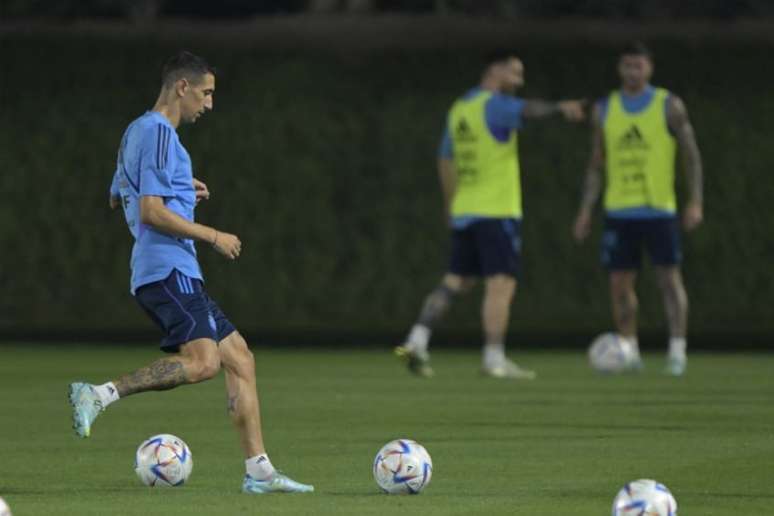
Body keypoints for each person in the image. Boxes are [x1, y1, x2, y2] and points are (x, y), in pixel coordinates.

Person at [68, 51, 313, 494]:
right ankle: (99, 394)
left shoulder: (135, 131)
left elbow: (117, 196)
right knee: (203, 364)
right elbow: (150, 212)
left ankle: (259, 472)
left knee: (239, 357)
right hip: (168, 268)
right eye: (206, 93)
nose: (209, 104)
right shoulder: (161, 133)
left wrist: (181, 189)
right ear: (183, 87)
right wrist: (212, 234)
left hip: (166, 269)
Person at [395, 50, 585, 379]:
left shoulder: (460, 108)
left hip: (467, 209)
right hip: (497, 211)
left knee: (456, 280)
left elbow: (445, 159)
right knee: (501, 284)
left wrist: (451, 204)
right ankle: (494, 358)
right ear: (494, 71)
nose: (520, 80)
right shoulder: (494, 105)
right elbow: (530, 110)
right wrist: (560, 107)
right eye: (515, 72)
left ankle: (417, 339)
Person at [572, 42, 703, 376]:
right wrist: (587, 209)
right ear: (620, 68)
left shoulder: (668, 105)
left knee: (669, 281)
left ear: (649, 68)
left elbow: (690, 155)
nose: (633, 71)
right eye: (628, 65)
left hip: (659, 209)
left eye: (639, 65)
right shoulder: (606, 109)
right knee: (619, 285)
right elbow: (596, 165)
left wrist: (695, 200)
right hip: (619, 210)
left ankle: (677, 351)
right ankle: (629, 350)